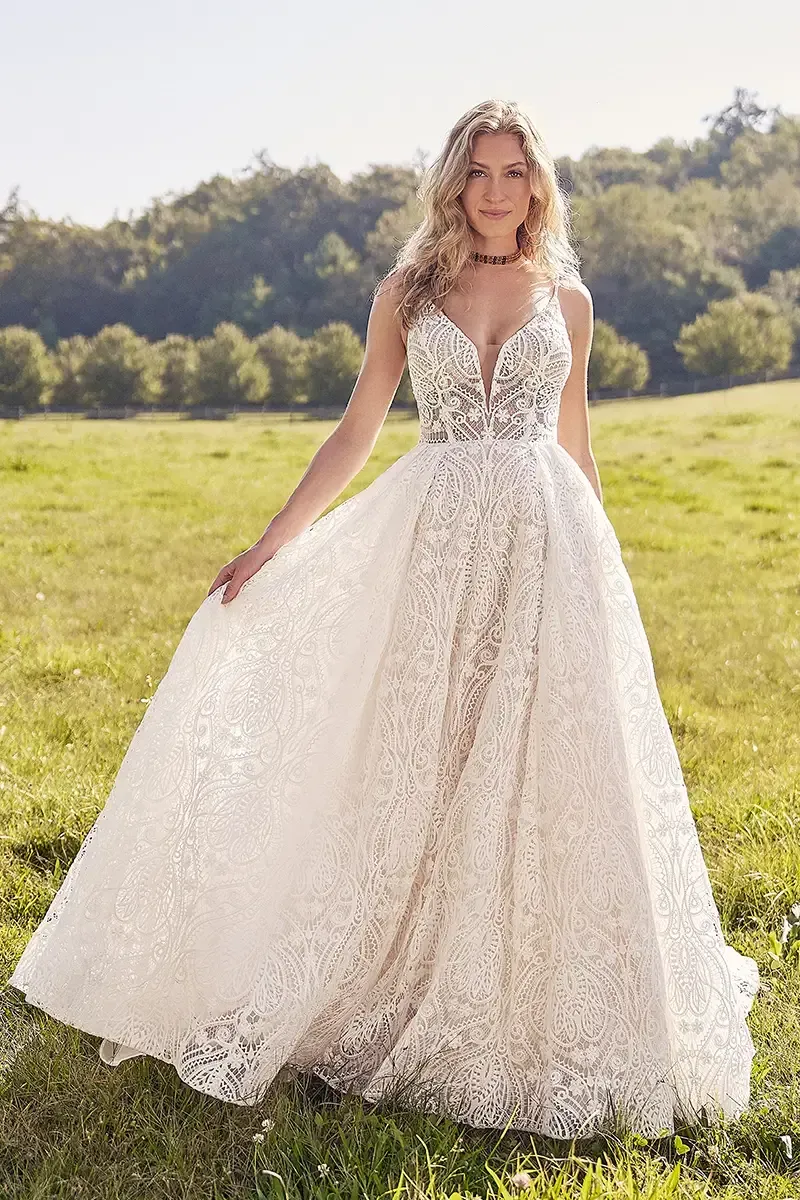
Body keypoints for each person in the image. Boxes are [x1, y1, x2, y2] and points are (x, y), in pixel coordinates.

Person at [8, 99, 759, 1141]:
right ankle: (381, 965)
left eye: (513, 173)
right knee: (418, 754)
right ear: (452, 185)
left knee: (544, 766)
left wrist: (607, 563)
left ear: (536, 185)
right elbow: (360, 427)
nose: (496, 191)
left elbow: (576, 445)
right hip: (434, 546)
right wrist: (271, 541)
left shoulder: (568, 300)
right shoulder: (409, 291)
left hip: (548, 548)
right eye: (478, 173)